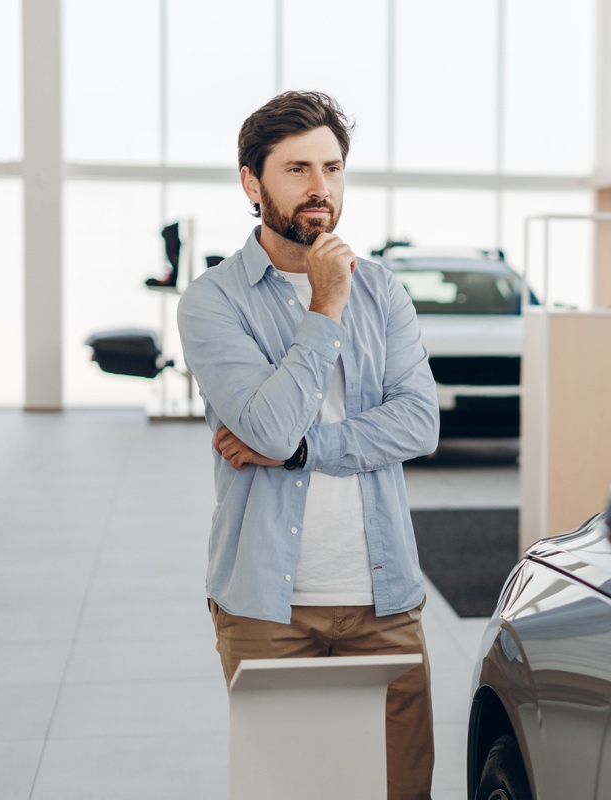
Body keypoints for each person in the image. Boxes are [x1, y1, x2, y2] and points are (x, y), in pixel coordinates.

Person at [176, 90, 440, 800]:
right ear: (251, 182)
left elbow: (420, 423)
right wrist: (324, 305)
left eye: (332, 167)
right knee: (286, 789)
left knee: (401, 788)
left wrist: (300, 451)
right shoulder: (214, 301)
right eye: (297, 169)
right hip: (267, 604)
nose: (319, 187)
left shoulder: (382, 291)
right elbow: (262, 428)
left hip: (384, 597)